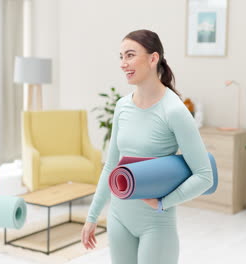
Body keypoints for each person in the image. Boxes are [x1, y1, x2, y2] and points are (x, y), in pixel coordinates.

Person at [81, 29, 213, 264]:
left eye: (130, 55)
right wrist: (92, 217)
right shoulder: (122, 106)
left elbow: (204, 176)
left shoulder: (174, 111)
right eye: (121, 57)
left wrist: (164, 202)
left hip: (156, 224)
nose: (123, 64)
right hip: (119, 218)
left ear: (153, 59)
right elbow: (111, 165)